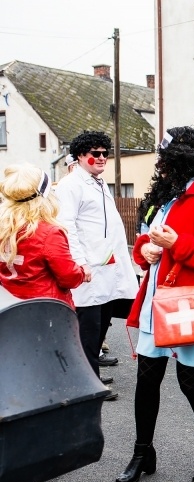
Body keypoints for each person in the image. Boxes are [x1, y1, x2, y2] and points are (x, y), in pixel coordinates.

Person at [115, 126, 194, 482]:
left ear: (181, 161)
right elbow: (146, 240)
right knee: (146, 380)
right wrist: (145, 250)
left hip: (191, 305)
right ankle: (142, 452)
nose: (161, 166)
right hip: (159, 300)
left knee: (190, 382)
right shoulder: (164, 197)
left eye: (166, 160)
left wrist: (177, 243)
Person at [55, 131, 139, 400]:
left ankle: (92, 374)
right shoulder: (71, 185)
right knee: (89, 330)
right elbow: (67, 227)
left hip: (108, 268)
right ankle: (88, 385)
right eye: (95, 153)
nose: (101, 157)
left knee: (102, 323)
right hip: (89, 271)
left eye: (105, 153)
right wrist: (79, 263)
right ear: (80, 156)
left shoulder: (98, 182)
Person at [0, 165, 91, 305]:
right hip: (46, 312)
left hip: (8, 310)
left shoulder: (4, 228)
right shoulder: (49, 233)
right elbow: (69, 277)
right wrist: (82, 272)